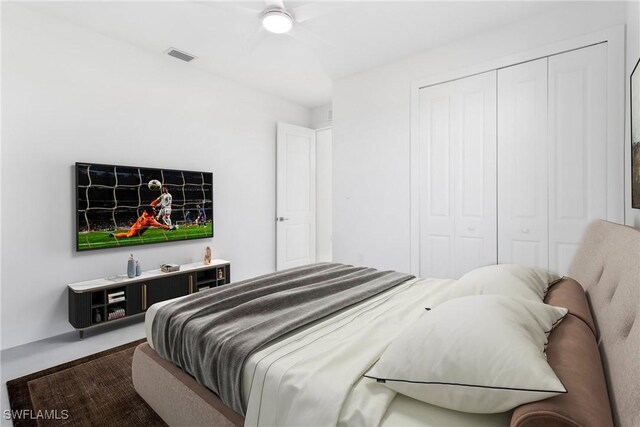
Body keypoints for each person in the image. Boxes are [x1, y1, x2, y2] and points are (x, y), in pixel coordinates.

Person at [109, 206, 175, 238]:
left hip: (135, 225)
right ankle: (114, 236)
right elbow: (160, 226)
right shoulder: (150, 220)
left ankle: (114, 235)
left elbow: (151, 206)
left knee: (126, 233)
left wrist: (158, 199)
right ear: (151, 212)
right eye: (154, 210)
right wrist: (170, 228)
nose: (155, 211)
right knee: (127, 235)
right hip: (137, 230)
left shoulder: (145, 212)